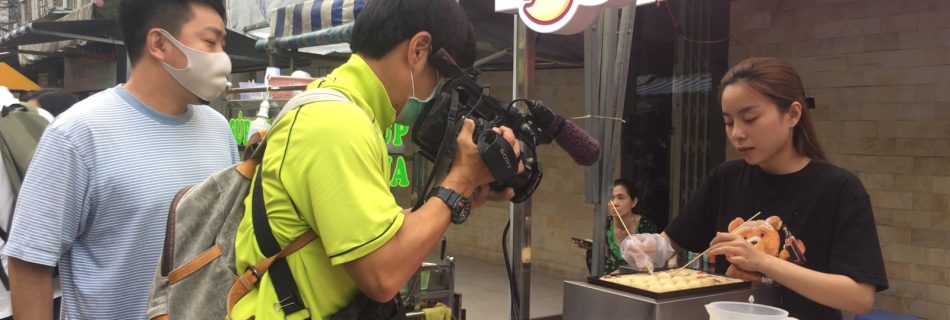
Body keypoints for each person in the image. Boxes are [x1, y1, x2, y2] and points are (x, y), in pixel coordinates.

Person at [229, 0, 520, 318]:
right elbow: (383, 275)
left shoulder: (345, 110)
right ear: (419, 49)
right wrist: (461, 179)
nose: (440, 96)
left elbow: (377, 232)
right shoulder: (337, 122)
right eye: (443, 82)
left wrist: (458, 195)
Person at [3, 0, 239, 318]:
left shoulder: (218, 129)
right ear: (159, 43)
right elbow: (30, 260)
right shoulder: (78, 134)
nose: (222, 57)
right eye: (210, 42)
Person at [623, 57, 887, 319]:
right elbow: (669, 245)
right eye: (728, 122)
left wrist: (762, 261)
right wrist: (647, 246)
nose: (737, 133)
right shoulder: (726, 178)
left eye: (750, 118)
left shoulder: (838, 188)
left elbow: (860, 297)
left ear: (793, 114)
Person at [576, 178, 658, 273]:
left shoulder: (645, 226)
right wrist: (594, 248)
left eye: (621, 198)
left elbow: (653, 260)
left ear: (633, 202)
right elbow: (605, 256)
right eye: (611, 198)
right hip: (615, 273)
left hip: (640, 273)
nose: (614, 203)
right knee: (593, 254)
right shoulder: (605, 224)